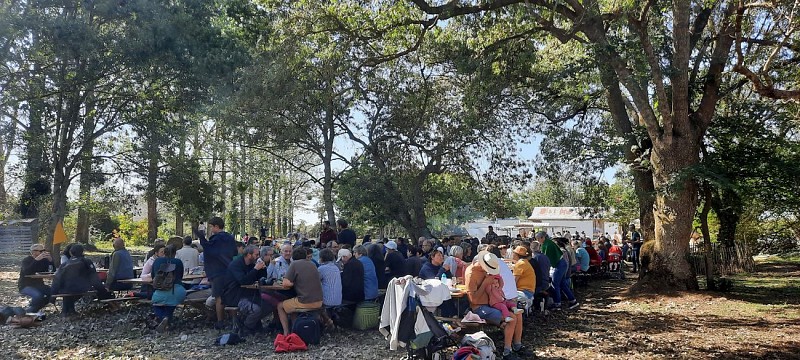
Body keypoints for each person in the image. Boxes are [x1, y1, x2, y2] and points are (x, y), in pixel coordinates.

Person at [465, 251, 531, 360]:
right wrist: (486, 283)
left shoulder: (486, 271)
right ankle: (507, 351)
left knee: (517, 314)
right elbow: (474, 299)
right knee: (512, 319)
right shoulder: (471, 274)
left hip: (492, 303)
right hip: (480, 307)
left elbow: (498, 287)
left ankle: (517, 345)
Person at [51, 244, 114, 316]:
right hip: (81, 288)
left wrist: (53, 294)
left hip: (65, 289)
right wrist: (102, 290)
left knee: (68, 289)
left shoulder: (64, 264)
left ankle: (67, 311)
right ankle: (69, 311)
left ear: (71, 253)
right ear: (82, 252)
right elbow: (94, 278)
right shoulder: (86, 262)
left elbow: (57, 279)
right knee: (75, 289)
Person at [221, 245, 270, 336]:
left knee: (269, 305)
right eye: (256, 254)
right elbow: (243, 281)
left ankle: (253, 324)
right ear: (248, 255)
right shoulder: (236, 265)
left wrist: (263, 269)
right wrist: (256, 269)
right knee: (256, 309)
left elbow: (262, 278)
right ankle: (246, 327)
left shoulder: (252, 264)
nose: (258, 256)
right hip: (235, 296)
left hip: (249, 294)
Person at [198, 216, 238, 329]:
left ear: (216, 226)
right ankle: (233, 320)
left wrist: (201, 236)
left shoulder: (216, 239)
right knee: (230, 295)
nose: (210, 229)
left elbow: (208, 249)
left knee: (219, 297)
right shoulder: (230, 238)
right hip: (229, 270)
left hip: (217, 271)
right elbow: (234, 252)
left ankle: (220, 321)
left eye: (211, 227)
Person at [277, 247, 325, 335]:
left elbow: (285, 283)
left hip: (306, 301)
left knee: (280, 306)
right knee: (292, 303)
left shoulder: (295, 264)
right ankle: (296, 329)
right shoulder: (312, 264)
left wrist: (293, 282)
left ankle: (286, 332)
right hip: (319, 300)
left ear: (293, 256)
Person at [536, 232, 578, 310]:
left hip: (559, 265)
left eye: (538, 239)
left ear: (542, 238)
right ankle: (573, 300)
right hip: (562, 264)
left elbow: (546, 258)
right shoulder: (548, 243)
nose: (538, 241)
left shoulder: (547, 245)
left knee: (555, 284)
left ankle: (557, 304)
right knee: (562, 284)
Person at [151, 245, 186, 332]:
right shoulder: (178, 262)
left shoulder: (157, 261)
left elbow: (153, 276)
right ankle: (167, 319)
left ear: (164, 252)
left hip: (161, 291)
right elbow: (181, 277)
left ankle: (163, 317)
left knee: (155, 304)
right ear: (175, 253)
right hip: (178, 291)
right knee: (171, 303)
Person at [18, 244, 53, 313]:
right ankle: (31, 311)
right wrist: (36, 260)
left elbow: (51, 270)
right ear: (33, 252)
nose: (43, 252)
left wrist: (50, 260)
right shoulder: (26, 260)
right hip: (26, 285)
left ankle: (33, 309)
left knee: (53, 293)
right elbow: (27, 272)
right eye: (41, 251)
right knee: (38, 295)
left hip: (39, 285)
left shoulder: (44, 260)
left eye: (44, 250)